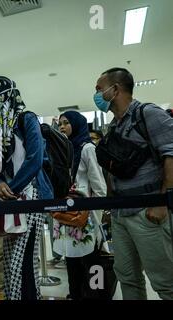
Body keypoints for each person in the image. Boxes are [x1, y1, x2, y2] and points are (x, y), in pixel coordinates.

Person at [94, 67, 173, 300]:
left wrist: (161, 202)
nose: (97, 94)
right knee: (127, 277)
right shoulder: (114, 126)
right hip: (121, 215)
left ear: (115, 89)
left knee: (165, 280)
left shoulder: (148, 114)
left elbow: (171, 154)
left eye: (99, 89)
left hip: (148, 212)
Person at [0, 76, 53, 300]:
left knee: (24, 259)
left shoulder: (26, 118)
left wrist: (10, 188)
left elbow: (35, 159)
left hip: (30, 194)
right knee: (12, 260)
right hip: (10, 198)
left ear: (6, 92)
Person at [54, 111, 107, 300]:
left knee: (92, 263)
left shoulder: (87, 149)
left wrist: (96, 221)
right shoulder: (63, 150)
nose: (61, 126)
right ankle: (76, 295)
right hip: (66, 217)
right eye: (60, 123)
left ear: (76, 124)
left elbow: (99, 187)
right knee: (72, 263)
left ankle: (98, 296)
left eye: (66, 123)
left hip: (87, 218)